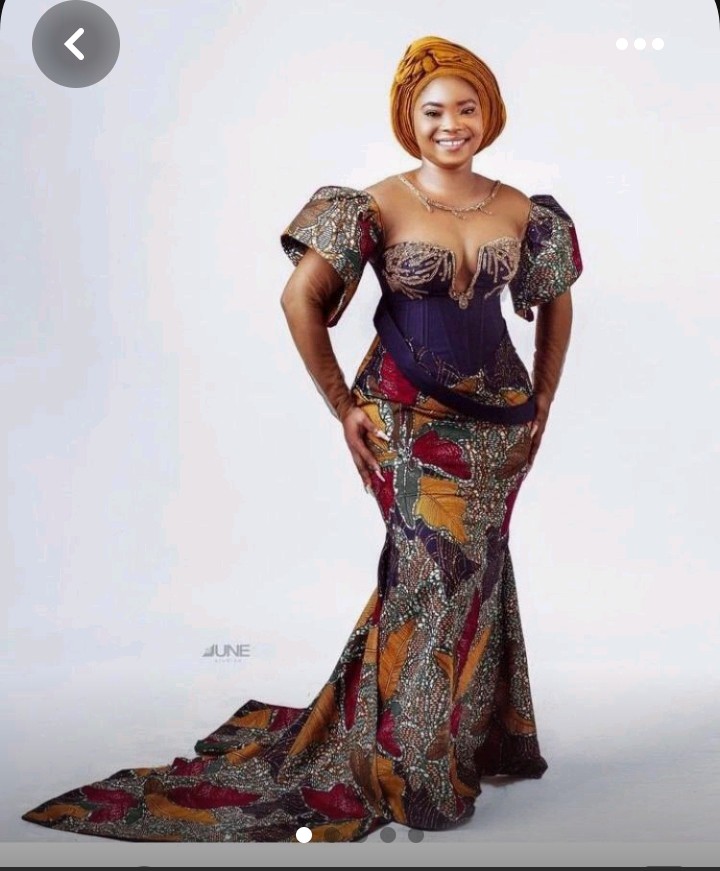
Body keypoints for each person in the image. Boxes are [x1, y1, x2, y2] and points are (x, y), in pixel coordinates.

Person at [21, 35, 583, 843]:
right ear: (409, 119)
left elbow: (556, 298)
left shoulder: (522, 208)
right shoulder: (374, 204)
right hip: (403, 418)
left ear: (488, 114)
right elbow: (300, 299)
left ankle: (469, 736)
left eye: (467, 108)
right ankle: (412, 768)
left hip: (498, 427)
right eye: (433, 111)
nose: (451, 124)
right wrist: (342, 405)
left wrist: (545, 397)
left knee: (476, 571)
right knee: (431, 573)